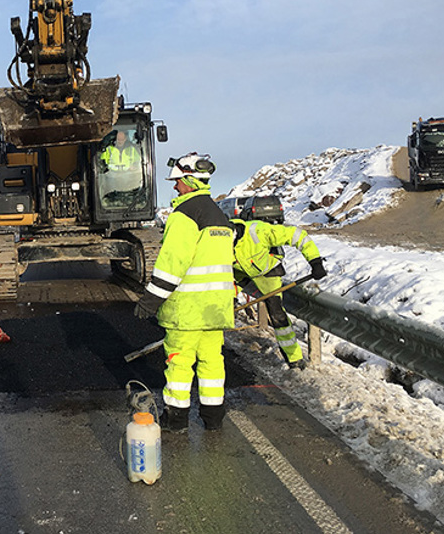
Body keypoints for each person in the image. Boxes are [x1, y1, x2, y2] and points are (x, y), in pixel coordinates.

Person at [133, 153, 235, 433]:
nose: (175, 187)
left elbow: (172, 265)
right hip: (215, 310)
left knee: (178, 365)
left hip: (187, 311)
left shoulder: (184, 216)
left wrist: (150, 300)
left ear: (189, 181)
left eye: (177, 181)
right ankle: (213, 419)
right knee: (212, 364)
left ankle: (176, 420)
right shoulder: (219, 216)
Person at [229, 217, 327, 370]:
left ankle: (294, 358)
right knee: (222, 305)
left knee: (276, 314)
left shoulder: (258, 232)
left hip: (268, 270)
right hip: (239, 272)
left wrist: (315, 262)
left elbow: (297, 235)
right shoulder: (216, 241)